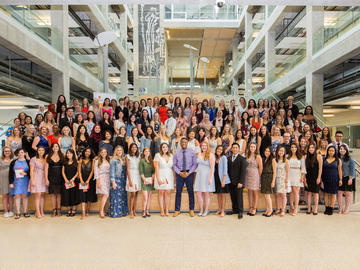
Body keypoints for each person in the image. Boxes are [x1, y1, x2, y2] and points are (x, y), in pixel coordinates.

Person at [172, 137, 198, 217]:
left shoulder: (192, 152)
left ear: (187, 143)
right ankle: (177, 210)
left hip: (189, 174)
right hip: (179, 174)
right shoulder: (177, 153)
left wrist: (189, 172)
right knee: (178, 192)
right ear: (180, 143)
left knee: (190, 192)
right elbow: (174, 165)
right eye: (182, 142)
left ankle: (191, 209)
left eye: (185, 142)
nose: (184, 143)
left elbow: (195, 164)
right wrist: (179, 172)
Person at [194, 142, 215, 217]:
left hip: (206, 175)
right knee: (198, 193)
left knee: (206, 194)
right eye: (202, 146)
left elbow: (212, 168)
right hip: (199, 175)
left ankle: (206, 210)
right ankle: (201, 210)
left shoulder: (211, 155)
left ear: (208, 146)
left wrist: (210, 178)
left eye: (205, 146)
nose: (204, 147)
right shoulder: (199, 154)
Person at [227, 143, 247, 219]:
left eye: (236, 148)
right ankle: (234, 210)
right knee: (233, 196)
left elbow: (243, 172)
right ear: (231, 149)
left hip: (239, 182)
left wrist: (241, 182)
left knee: (239, 197)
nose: (235, 149)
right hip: (231, 181)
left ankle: (240, 211)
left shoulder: (242, 159)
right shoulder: (228, 158)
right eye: (233, 148)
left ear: (238, 149)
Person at [9, 149, 30, 219]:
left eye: (22, 152)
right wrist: (11, 182)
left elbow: (31, 172)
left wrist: (26, 173)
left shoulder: (28, 161)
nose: (20, 154)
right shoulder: (13, 162)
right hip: (16, 181)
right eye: (19, 153)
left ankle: (25, 211)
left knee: (25, 196)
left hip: (25, 180)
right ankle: (17, 212)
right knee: (17, 196)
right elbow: (10, 173)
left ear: (24, 153)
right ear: (17, 154)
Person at [154, 143, 174, 217]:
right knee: (161, 192)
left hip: (169, 175)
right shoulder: (157, 155)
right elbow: (156, 167)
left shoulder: (171, 156)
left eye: (166, 147)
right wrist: (158, 179)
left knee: (168, 192)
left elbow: (172, 168)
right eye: (163, 147)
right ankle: (162, 210)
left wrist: (174, 178)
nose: (165, 148)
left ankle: (167, 210)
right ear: (161, 148)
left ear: (168, 148)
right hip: (161, 174)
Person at [109, 146, 129, 218]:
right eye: (118, 150)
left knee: (123, 196)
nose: (119, 151)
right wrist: (113, 182)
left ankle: (122, 212)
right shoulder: (113, 160)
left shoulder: (123, 159)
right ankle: (115, 212)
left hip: (123, 180)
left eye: (121, 150)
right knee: (116, 196)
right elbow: (112, 172)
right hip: (116, 179)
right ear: (115, 151)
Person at [322, 145, 342, 215]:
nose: (331, 152)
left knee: (333, 193)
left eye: (332, 151)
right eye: (330, 150)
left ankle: (331, 208)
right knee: (326, 193)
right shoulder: (324, 159)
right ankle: (327, 208)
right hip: (325, 178)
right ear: (327, 151)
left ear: (335, 152)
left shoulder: (338, 160)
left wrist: (340, 179)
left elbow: (340, 171)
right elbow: (322, 169)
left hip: (334, 178)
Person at [244, 142, 263, 216]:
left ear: (256, 148)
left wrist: (259, 177)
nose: (252, 148)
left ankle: (255, 208)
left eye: (253, 147)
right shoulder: (247, 155)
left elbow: (261, 168)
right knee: (249, 191)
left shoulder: (258, 156)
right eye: (251, 147)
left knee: (255, 192)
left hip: (255, 174)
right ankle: (250, 207)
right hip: (247, 174)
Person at [288, 143, 306, 216]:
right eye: (292, 147)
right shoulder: (287, 156)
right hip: (289, 174)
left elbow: (303, 168)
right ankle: (291, 207)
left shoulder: (301, 157)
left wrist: (302, 177)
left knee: (296, 192)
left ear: (297, 148)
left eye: (295, 147)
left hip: (297, 174)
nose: (293, 148)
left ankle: (296, 208)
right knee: (290, 192)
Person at [78, 148, 97, 219]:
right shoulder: (81, 160)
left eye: (89, 151)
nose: (87, 153)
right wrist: (81, 180)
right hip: (82, 181)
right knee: (82, 196)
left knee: (89, 196)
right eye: (86, 151)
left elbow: (92, 171)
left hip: (90, 180)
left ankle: (88, 210)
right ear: (84, 152)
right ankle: (83, 212)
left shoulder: (93, 161)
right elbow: (79, 170)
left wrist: (88, 180)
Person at [29, 147, 48, 218]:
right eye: (39, 150)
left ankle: (42, 211)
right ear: (37, 151)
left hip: (43, 178)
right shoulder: (33, 159)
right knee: (38, 195)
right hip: (36, 177)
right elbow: (31, 170)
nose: (41, 151)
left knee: (42, 195)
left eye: (42, 150)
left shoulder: (45, 159)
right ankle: (37, 212)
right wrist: (32, 180)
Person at [305, 143, 323, 215]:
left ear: (315, 149)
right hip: (308, 177)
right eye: (310, 148)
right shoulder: (306, 156)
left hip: (316, 177)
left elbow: (320, 168)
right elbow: (305, 168)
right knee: (309, 193)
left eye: (312, 148)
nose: (311, 149)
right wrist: (304, 178)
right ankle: (309, 208)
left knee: (315, 193)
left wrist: (319, 177)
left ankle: (315, 209)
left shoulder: (318, 156)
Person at [61, 149, 79, 217]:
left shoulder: (76, 162)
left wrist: (73, 178)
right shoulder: (64, 162)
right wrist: (65, 179)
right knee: (67, 195)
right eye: (67, 153)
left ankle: (73, 210)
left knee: (73, 195)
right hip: (66, 181)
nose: (69, 154)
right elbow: (63, 171)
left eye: (70, 153)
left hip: (73, 181)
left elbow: (78, 172)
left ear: (73, 154)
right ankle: (69, 210)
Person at [338, 145, 355, 214]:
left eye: (344, 149)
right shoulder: (338, 158)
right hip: (340, 178)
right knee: (339, 193)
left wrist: (350, 178)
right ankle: (340, 209)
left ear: (346, 150)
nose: (342, 150)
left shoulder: (350, 158)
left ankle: (346, 208)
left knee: (347, 193)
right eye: (341, 149)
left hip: (348, 177)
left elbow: (352, 169)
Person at [214, 145, 230, 217]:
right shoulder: (215, 158)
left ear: (222, 151)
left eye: (221, 149)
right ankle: (219, 209)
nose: (219, 151)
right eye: (218, 149)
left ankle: (223, 210)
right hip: (216, 179)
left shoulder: (224, 158)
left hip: (222, 179)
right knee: (218, 194)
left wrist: (223, 181)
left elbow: (225, 170)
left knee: (223, 195)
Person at [126, 143, 142, 218]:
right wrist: (129, 180)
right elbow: (127, 169)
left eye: (135, 147)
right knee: (132, 194)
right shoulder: (127, 156)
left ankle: (135, 210)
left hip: (137, 175)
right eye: (133, 147)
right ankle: (131, 211)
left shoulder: (138, 156)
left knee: (136, 194)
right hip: (131, 175)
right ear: (130, 148)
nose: (134, 148)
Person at [95, 148, 111, 218]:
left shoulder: (108, 160)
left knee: (106, 195)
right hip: (101, 178)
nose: (104, 153)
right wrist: (97, 181)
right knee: (106, 194)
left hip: (108, 178)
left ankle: (104, 210)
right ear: (100, 153)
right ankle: (101, 211)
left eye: (105, 152)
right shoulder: (97, 161)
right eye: (102, 152)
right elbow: (96, 172)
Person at [139, 147, 155, 218]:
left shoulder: (152, 161)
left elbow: (153, 172)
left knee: (149, 197)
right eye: (146, 151)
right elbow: (141, 172)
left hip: (151, 181)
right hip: (144, 181)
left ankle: (147, 211)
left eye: (148, 151)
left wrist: (152, 179)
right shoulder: (142, 161)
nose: (147, 152)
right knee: (145, 197)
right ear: (143, 152)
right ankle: (143, 211)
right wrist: (145, 180)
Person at [274, 146, 290, 217]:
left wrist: (286, 181)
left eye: (282, 151)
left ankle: (283, 210)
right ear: (277, 151)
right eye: (279, 151)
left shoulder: (286, 161)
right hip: (277, 179)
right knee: (277, 195)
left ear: (284, 152)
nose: (281, 152)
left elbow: (288, 172)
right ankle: (278, 208)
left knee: (283, 195)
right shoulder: (275, 160)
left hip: (283, 179)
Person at [261, 147, 275, 217]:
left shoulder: (273, 160)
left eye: (268, 151)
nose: (267, 152)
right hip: (264, 177)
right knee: (265, 195)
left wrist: (273, 181)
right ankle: (267, 209)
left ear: (271, 152)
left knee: (267, 195)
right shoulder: (263, 159)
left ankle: (271, 210)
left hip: (269, 177)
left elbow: (275, 172)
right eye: (266, 151)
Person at [0, 147, 14, 218]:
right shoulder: (0, 159)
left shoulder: (14, 159)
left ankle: (11, 211)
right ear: (3, 152)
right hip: (2, 179)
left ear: (11, 152)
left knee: (11, 196)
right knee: (5, 196)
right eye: (5, 151)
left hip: (11, 179)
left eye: (8, 151)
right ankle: (5, 211)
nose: (7, 152)